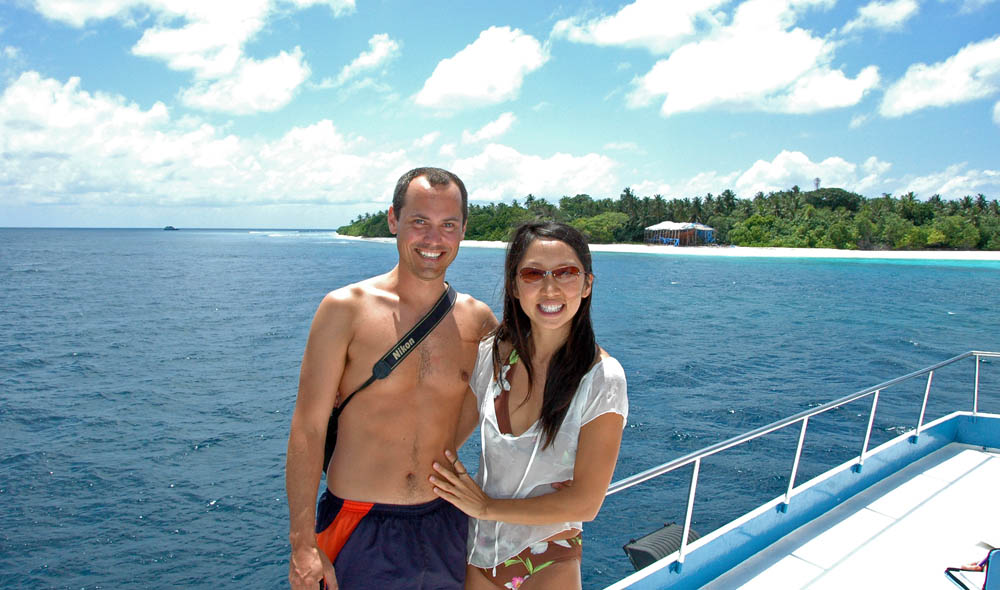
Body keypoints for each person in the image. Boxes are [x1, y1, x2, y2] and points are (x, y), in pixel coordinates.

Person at [285, 167, 497, 590]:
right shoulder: (345, 309)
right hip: (359, 523)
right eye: (419, 221)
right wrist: (303, 544)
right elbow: (308, 429)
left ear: (463, 230)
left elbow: (514, 396)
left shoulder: (479, 321)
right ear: (393, 220)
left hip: (446, 521)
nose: (433, 239)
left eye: (448, 225)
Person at [430, 221, 628, 590]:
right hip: (479, 552)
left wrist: (486, 507)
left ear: (587, 284)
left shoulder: (602, 378)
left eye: (566, 272)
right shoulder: (492, 355)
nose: (550, 288)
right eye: (533, 274)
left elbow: (586, 503)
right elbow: (446, 442)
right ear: (514, 285)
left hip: (548, 556)